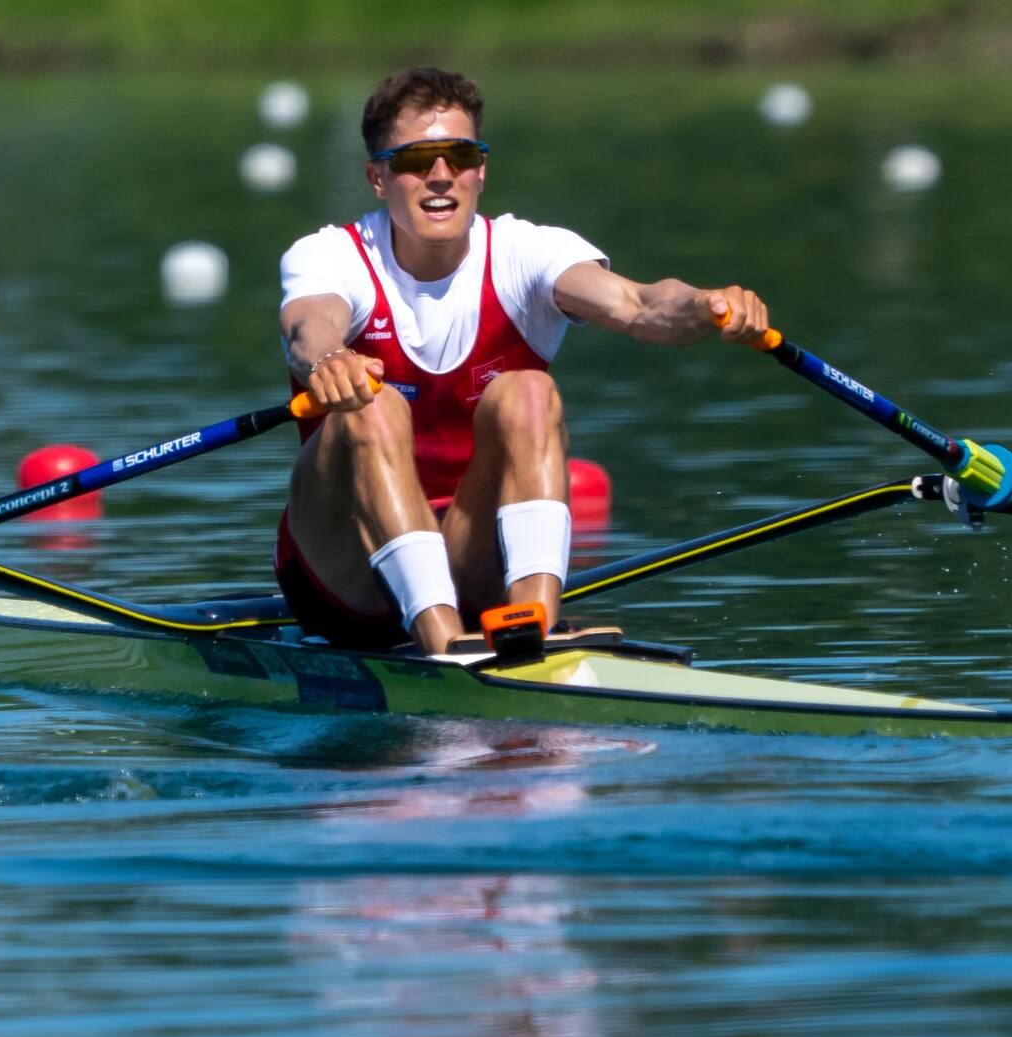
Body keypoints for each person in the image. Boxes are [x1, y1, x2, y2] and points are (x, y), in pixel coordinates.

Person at [276, 66, 770, 655]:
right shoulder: (330, 254)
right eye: (415, 159)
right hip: (343, 573)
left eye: (459, 155)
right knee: (371, 406)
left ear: (481, 170)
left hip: (470, 554)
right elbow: (309, 326)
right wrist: (329, 358)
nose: (441, 176)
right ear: (377, 178)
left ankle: (531, 629)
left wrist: (704, 304)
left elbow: (639, 305)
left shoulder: (526, 252)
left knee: (529, 390)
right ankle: (444, 646)